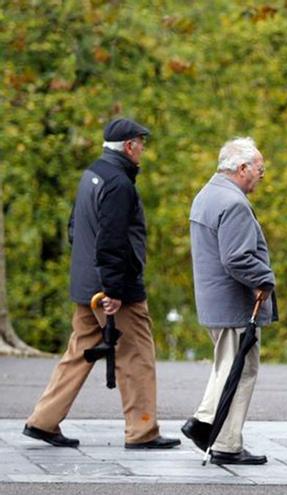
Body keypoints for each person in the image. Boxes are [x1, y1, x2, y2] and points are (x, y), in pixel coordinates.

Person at [23, 118, 180, 450]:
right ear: (128, 146)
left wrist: (92, 277)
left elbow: (74, 228)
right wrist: (114, 289)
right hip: (112, 290)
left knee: (79, 352)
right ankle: (142, 431)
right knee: (136, 355)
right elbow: (112, 241)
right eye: (141, 143)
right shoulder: (119, 184)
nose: (142, 149)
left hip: (86, 283)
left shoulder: (92, 174)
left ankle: (43, 420)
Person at [181, 137, 277, 465]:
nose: (262, 175)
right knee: (241, 370)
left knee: (227, 366)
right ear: (242, 168)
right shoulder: (233, 202)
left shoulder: (207, 195)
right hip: (234, 304)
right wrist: (265, 279)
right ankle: (224, 441)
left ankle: (207, 425)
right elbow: (237, 258)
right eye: (260, 169)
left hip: (215, 302)